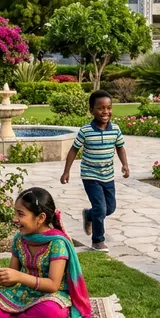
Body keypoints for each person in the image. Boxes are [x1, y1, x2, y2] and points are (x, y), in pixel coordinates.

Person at [0, 188, 91, 318]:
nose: (15, 219)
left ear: (40, 218)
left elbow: (53, 285)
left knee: (49, 314)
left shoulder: (57, 243)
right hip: (20, 296)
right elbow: (11, 279)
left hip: (49, 298)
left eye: (21, 214)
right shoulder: (20, 239)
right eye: (15, 213)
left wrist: (19, 276)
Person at [60, 90, 129, 251]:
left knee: (109, 208)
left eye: (109, 107)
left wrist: (125, 164)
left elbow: (120, 147)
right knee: (100, 208)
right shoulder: (85, 131)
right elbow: (73, 150)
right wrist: (66, 171)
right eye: (100, 108)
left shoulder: (115, 129)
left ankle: (89, 215)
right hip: (90, 176)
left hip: (108, 176)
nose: (105, 111)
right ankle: (98, 241)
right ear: (92, 110)